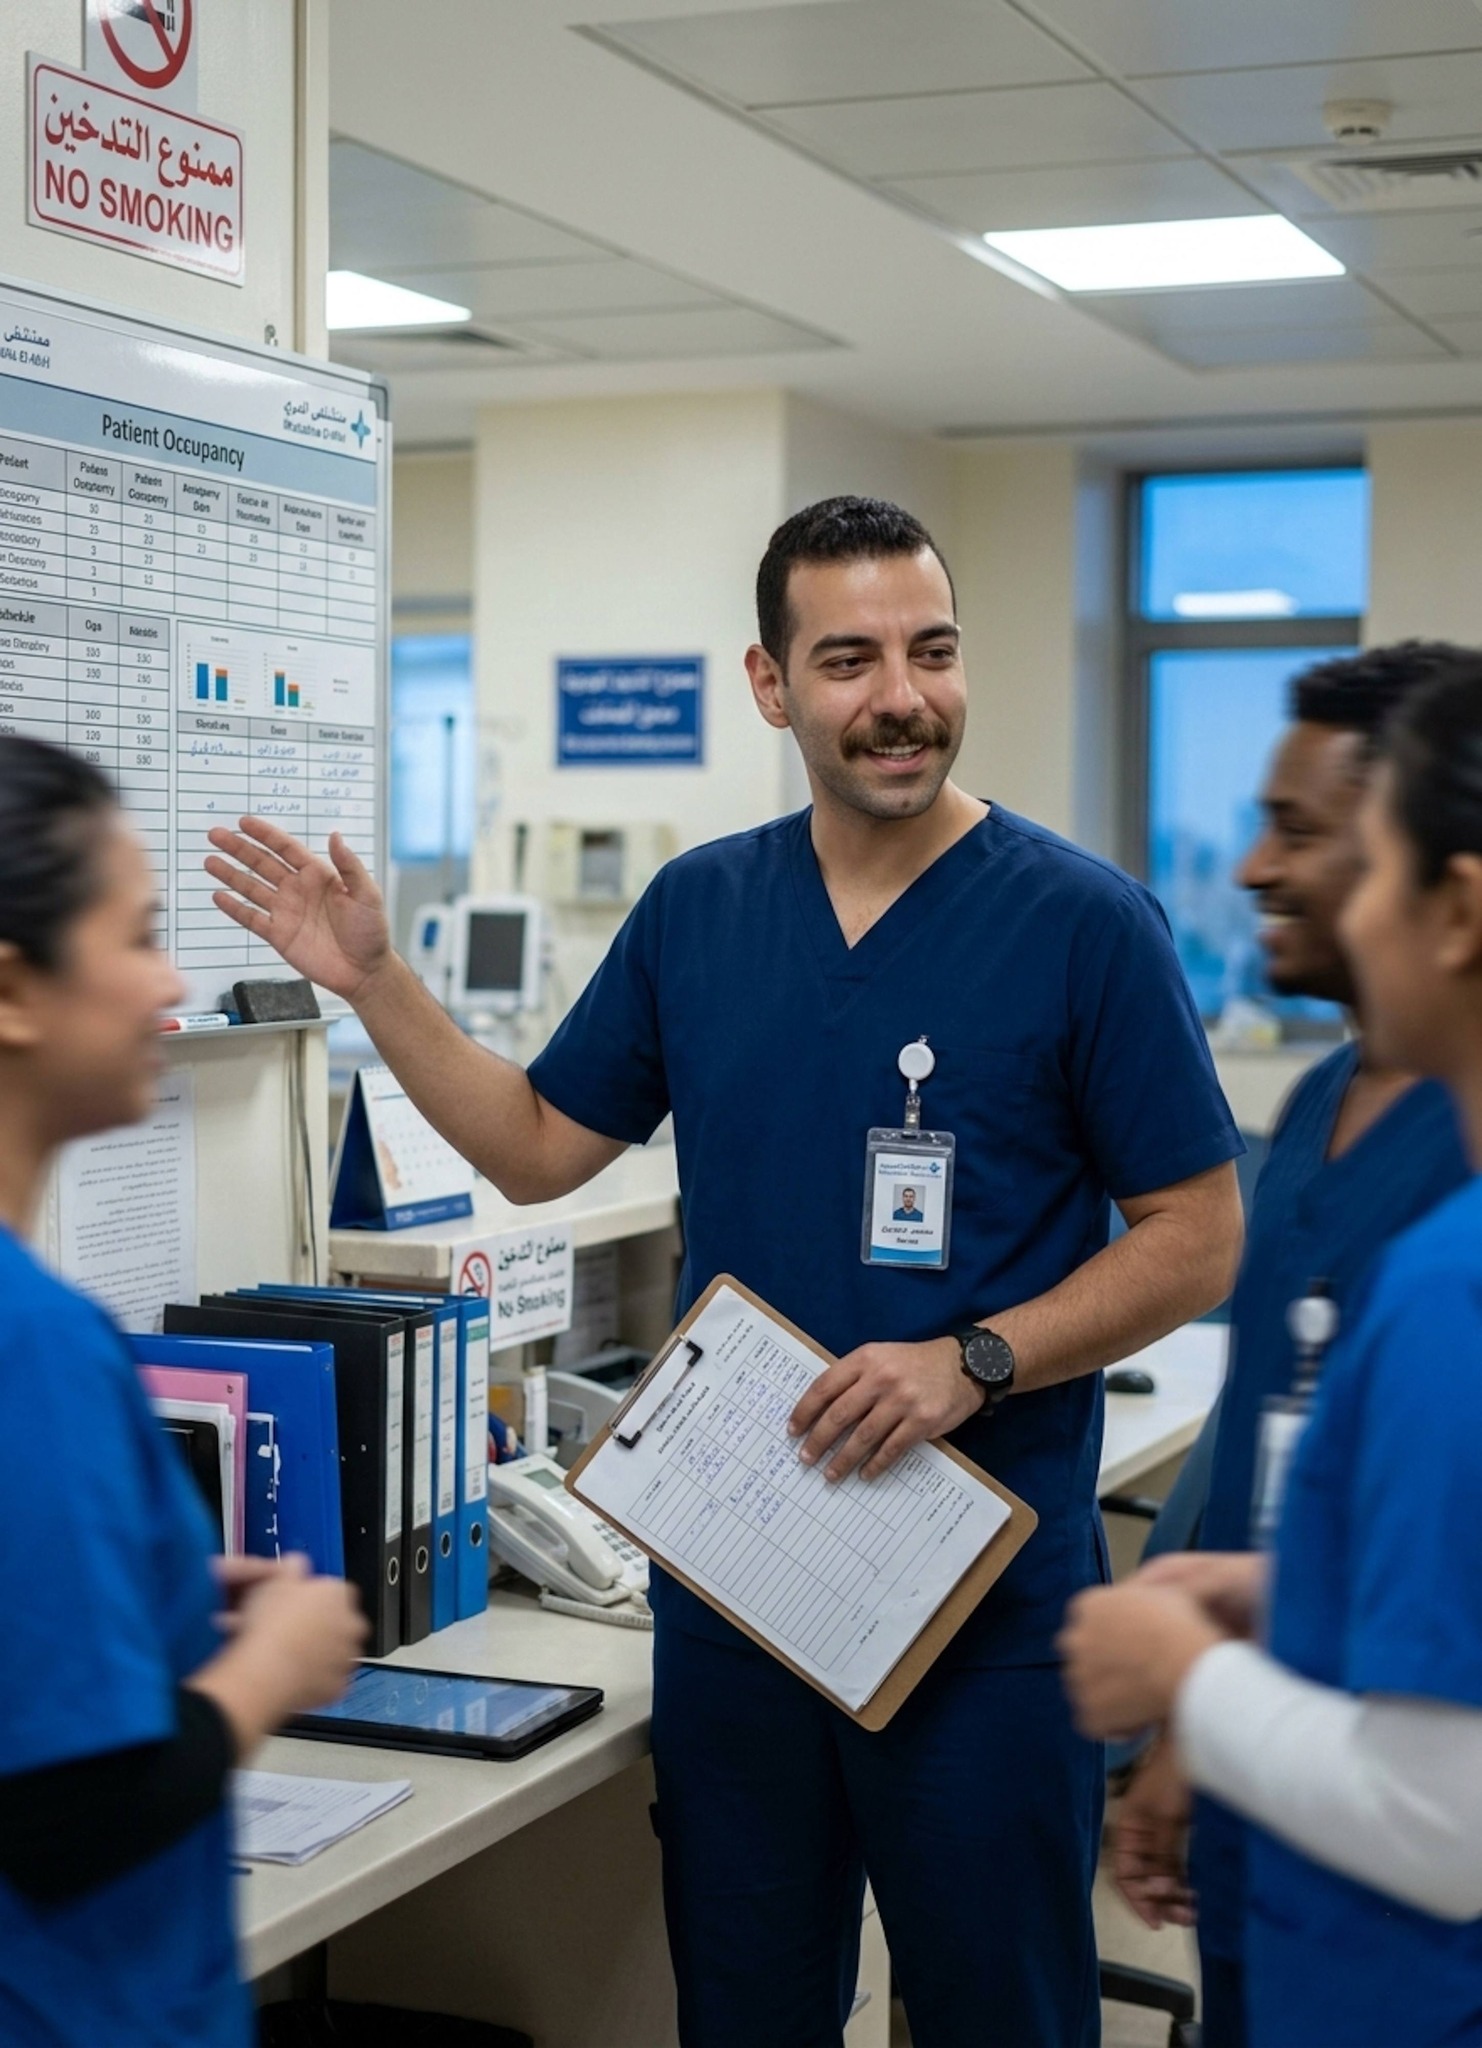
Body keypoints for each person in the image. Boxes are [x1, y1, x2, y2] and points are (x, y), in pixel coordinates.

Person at [204, 495, 1244, 2048]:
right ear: (773, 686)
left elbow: (1195, 1235)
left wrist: (972, 1362)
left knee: (996, 2013)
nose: (900, 695)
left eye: (930, 650)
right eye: (848, 659)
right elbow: (546, 1146)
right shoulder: (704, 910)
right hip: (741, 1590)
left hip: (976, 1606)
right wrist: (374, 980)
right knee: (745, 2010)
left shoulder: (1082, 924)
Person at [1060, 654, 1482, 2048]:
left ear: (1450, 903)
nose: (1253, 873)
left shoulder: (1446, 1282)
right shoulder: (1312, 1111)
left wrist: (1183, 1678)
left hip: (1402, 1931)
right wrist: (1244, 1647)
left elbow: (1442, 1813)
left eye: (1329, 850)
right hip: (1296, 1804)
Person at [0, 737, 367, 2048]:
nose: (171, 984)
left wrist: (146, 1598)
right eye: (139, 936)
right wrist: (270, 1670)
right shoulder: (31, 1342)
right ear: (16, 992)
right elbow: (63, 1818)